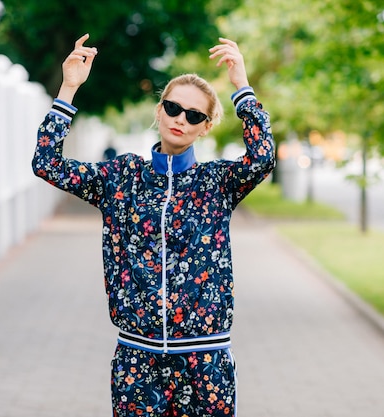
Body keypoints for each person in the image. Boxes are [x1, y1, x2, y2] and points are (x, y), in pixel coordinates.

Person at [33, 33, 275, 417]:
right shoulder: (122, 176)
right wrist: (68, 88)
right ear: (159, 110)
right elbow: (47, 164)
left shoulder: (216, 182)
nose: (181, 119)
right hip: (137, 360)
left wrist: (242, 87)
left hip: (205, 361)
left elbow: (262, 158)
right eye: (174, 107)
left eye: (194, 115)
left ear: (205, 126)